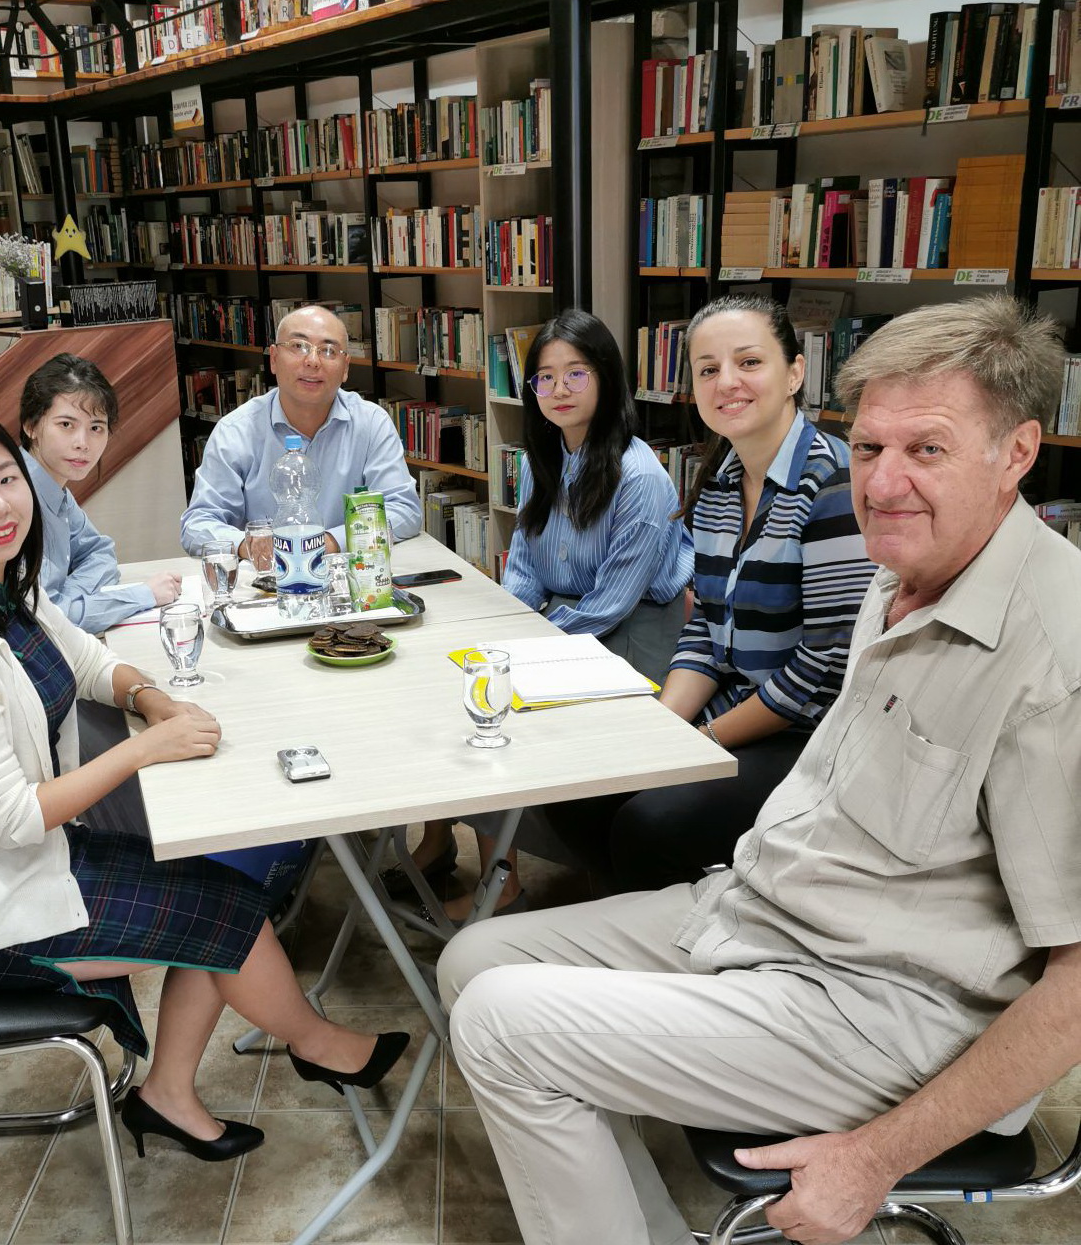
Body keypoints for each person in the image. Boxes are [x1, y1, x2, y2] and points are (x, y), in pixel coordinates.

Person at [438, 295, 1081, 1245]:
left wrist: (876, 1156)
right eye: (870, 447)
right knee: (471, 961)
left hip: (882, 1007)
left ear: (1018, 452)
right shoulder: (901, 571)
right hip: (774, 915)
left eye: (928, 449)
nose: (884, 482)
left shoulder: (1054, 655)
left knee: (502, 1021)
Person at [0, 401, 408, 1164]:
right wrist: (146, 749)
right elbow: (12, 818)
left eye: (5, 479)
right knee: (223, 914)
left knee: (221, 894)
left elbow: (90, 661)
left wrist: (151, 698)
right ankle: (317, 1046)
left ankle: (170, 1096)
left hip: (37, 866)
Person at [547, 294, 876, 892]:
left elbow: (823, 666)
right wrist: (661, 726)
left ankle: (678, 924)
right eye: (707, 369)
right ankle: (646, 907)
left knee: (652, 823)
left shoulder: (834, 483)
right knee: (575, 786)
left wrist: (701, 742)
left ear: (794, 373)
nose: (727, 382)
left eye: (749, 362)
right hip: (733, 705)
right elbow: (704, 626)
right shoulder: (719, 482)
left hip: (810, 732)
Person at [393, 310, 694, 922]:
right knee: (470, 693)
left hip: (631, 634)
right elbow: (526, 566)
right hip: (563, 624)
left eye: (576, 373)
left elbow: (612, 603)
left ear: (607, 377)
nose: (559, 389)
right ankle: (484, 873)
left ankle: (504, 885)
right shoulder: (540, 459)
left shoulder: (638, 475)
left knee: (498, 713)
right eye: (545, 377)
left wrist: (525, 649)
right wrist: (504, 630)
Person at [180, 305, 422, 556]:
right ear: (274, 359)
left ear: (346, 368)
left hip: (347, 571)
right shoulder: (235, 431)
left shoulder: (371, 424)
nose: (313, 361)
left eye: (328, 350)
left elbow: (404, 509)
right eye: (298, 346)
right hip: (268, 574)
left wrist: (328, 543)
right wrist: (251, 546)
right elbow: (198, 524)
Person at [18, 353, 181, 635]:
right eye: (66, 425)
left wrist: (68, 598)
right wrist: (143, 595)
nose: (82, 443)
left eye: (96, 428)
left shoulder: (53, 488)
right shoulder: (16, 498)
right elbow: (47, 621)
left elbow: (100, 553)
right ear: (31, 426)